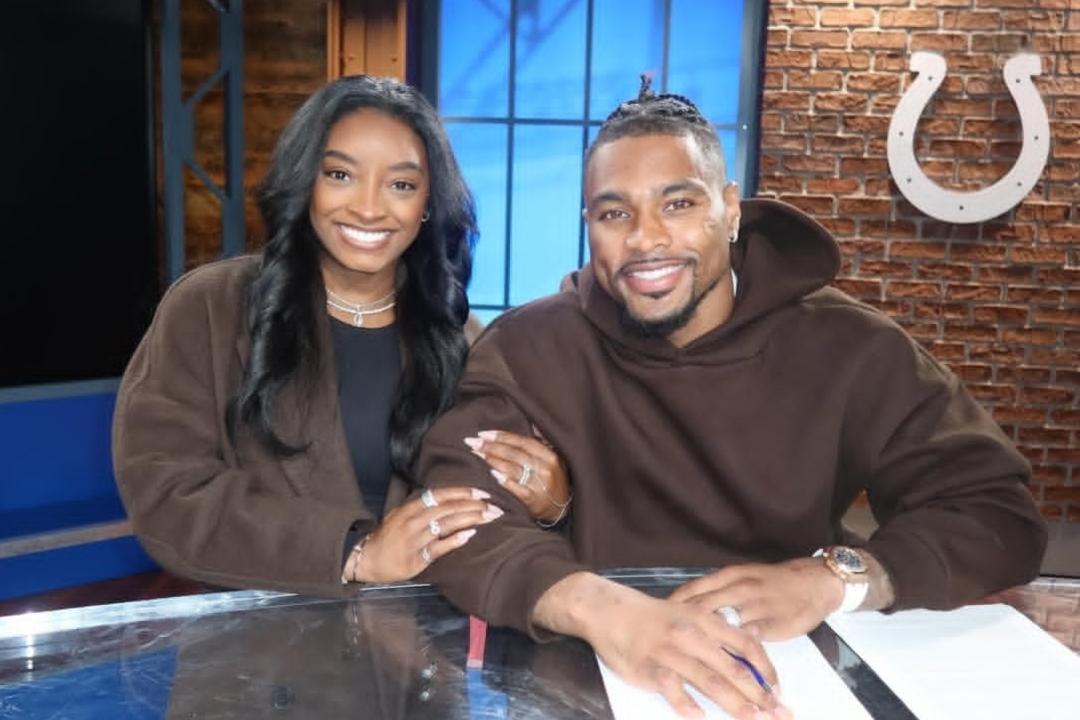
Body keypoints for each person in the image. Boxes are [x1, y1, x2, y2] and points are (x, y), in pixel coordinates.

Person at [416, 79, 1048, 719]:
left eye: (678, 204)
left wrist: (837, 578)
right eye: (614, 214)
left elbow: (995, 512)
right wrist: (597, 607)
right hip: (590, 669)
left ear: (731, 209)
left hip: (790, 672)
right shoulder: (530, 345)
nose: (645, 239)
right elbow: (453, 515)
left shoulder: (848, 345)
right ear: (589, 227)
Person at [112, 75, 570, 597]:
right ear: (305, 180)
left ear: (427, 203)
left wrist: (551, 504)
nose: (369, 208)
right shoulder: (211, 306)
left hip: (418, 637)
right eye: (340, 175)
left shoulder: (461, 335)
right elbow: (167, 493)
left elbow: (484, 513)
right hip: (259, 635)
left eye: (401, 185)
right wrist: (352, 552)